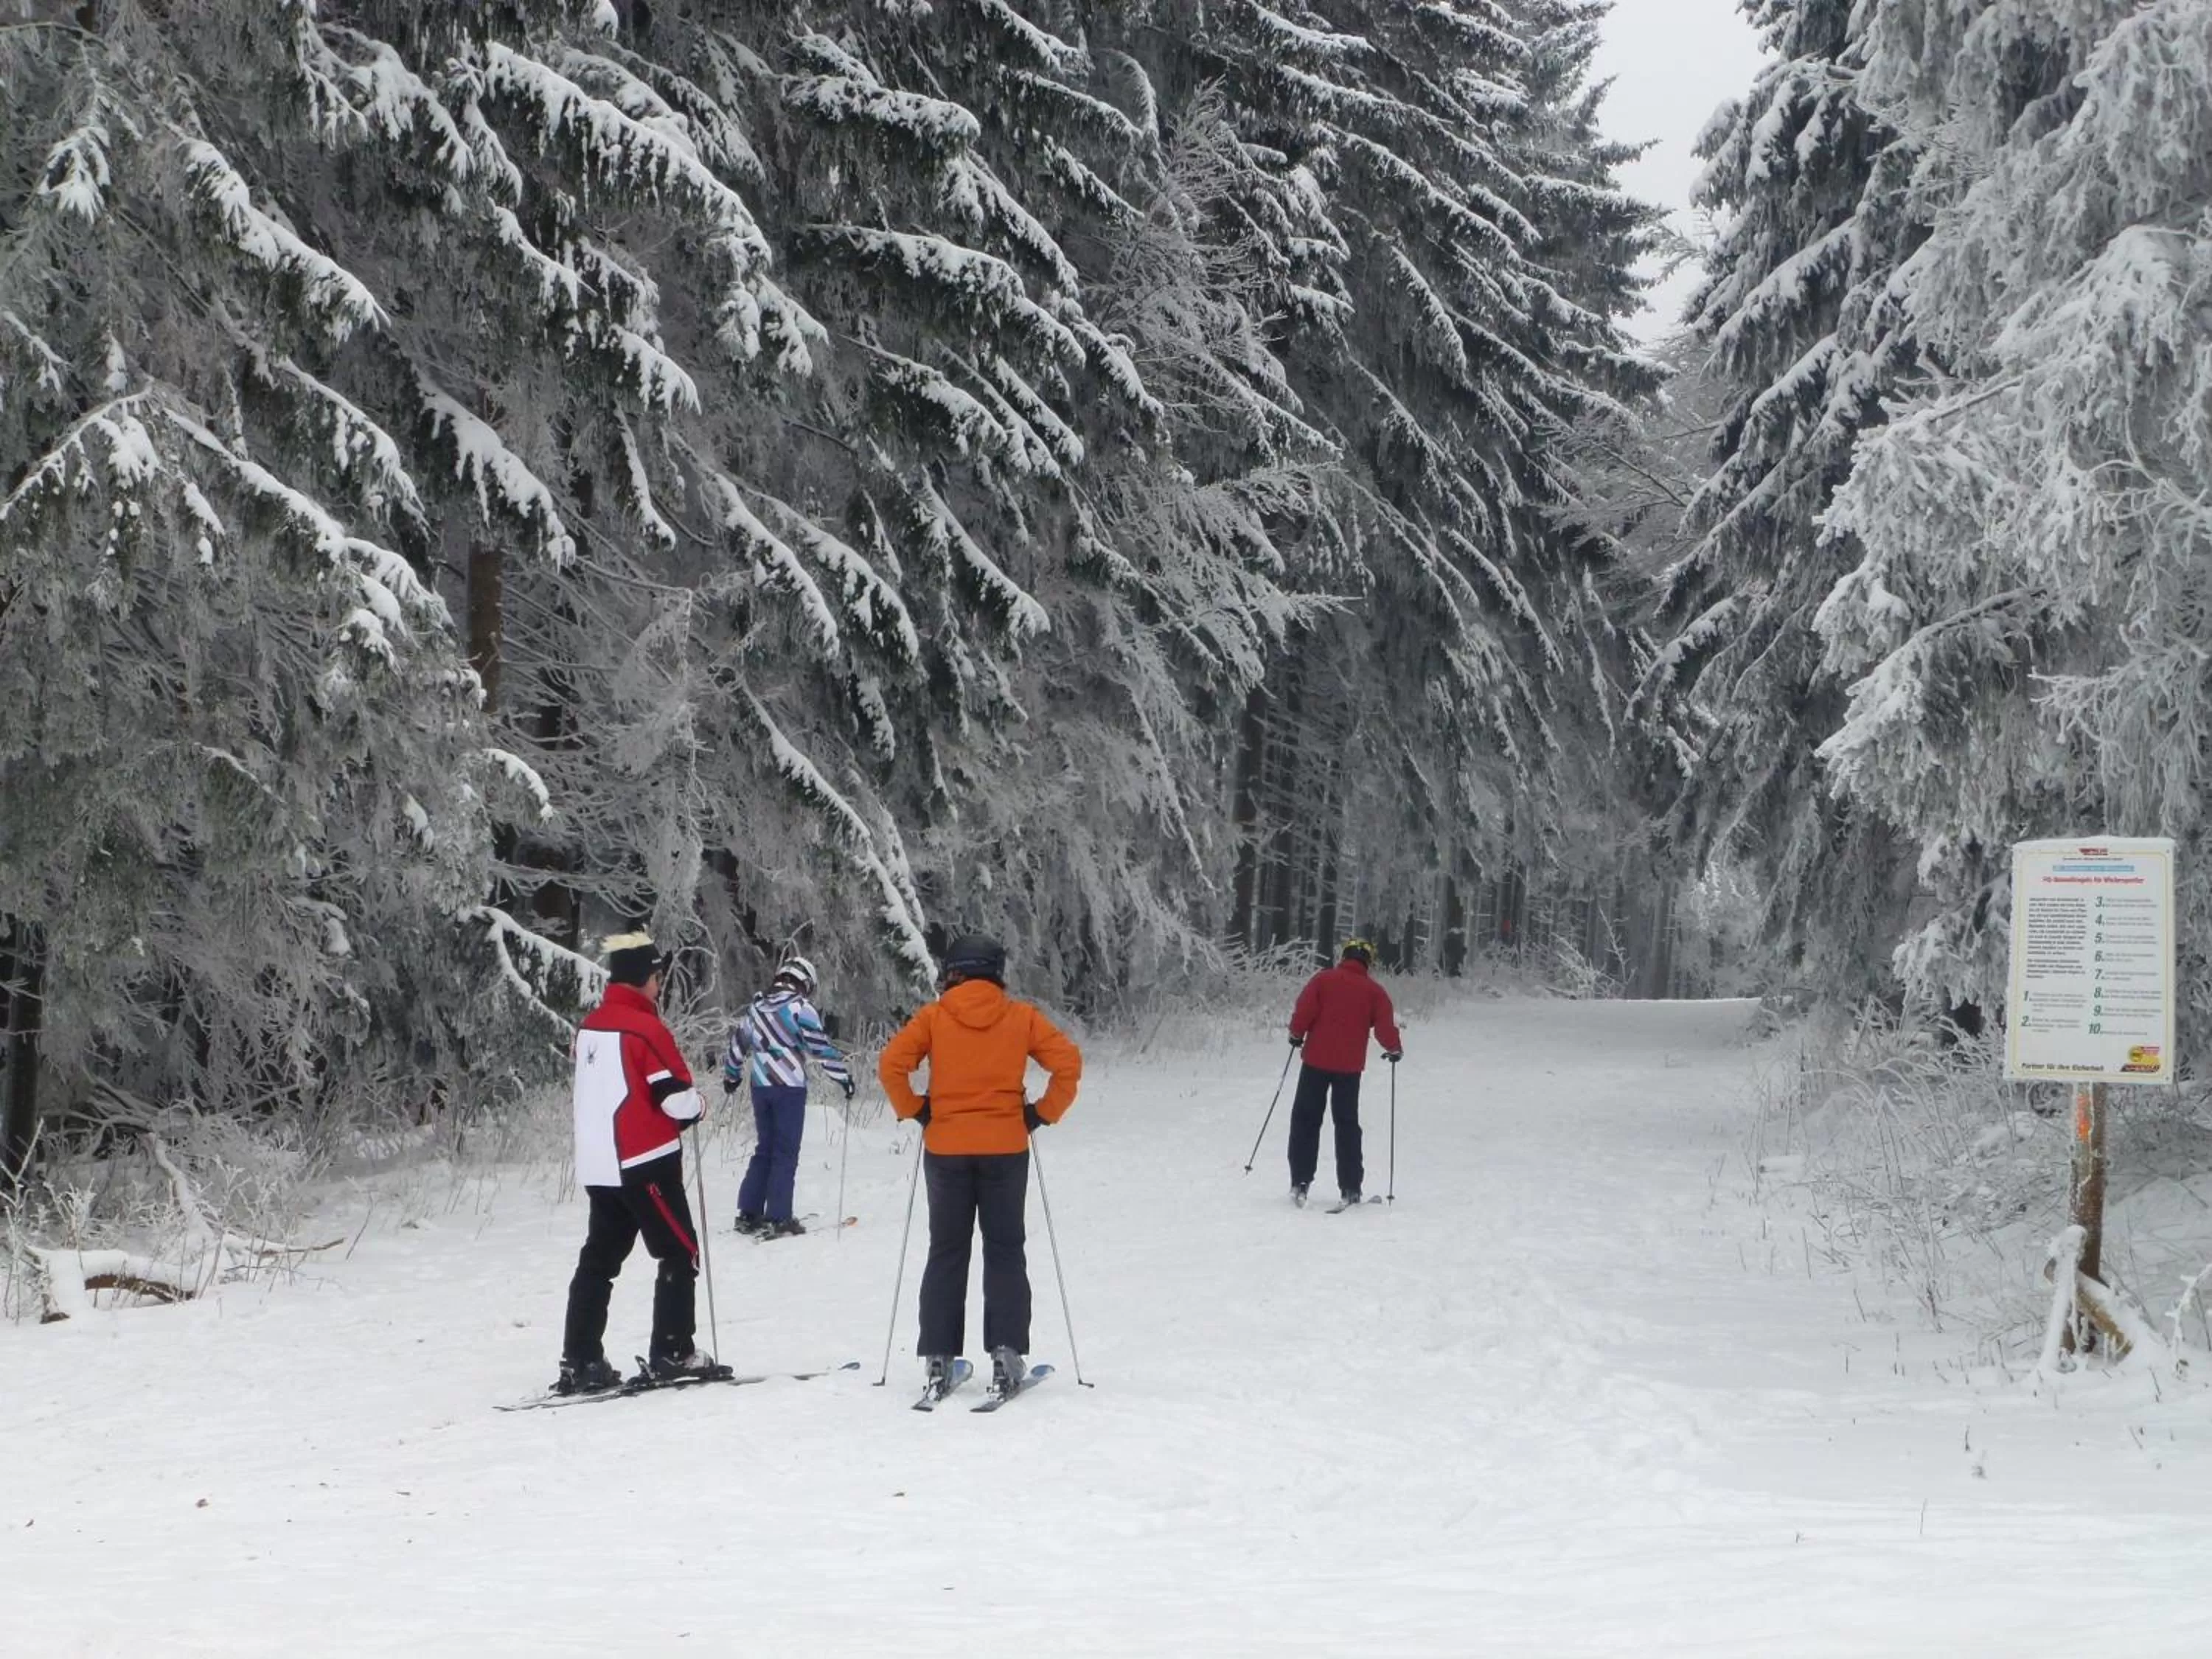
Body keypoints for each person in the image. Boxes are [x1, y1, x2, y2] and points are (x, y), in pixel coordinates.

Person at [877, 933, 1082, 1397]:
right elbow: (1067, 1063)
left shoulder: (934, 1017)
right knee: (1005, 1248)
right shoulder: (1020, 1018)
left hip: (946, 1147)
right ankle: (1007, 1355)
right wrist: (1040, 1114)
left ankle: (938, 1359)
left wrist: (917, 1109)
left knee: (947, 1249)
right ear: (996, 970)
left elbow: (891, 1065)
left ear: (954, 971)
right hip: (1006, 1147)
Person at [557, 933, 714, 1393]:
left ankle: (581, 1359)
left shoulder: (591, 1026)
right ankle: (674, 1352)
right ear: (648, 978)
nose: (661, 986)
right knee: (678, 1252)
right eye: (659, 977)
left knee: (599, 1261)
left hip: (598, 1163)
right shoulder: (646, 1030)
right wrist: (699, 1105)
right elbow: (674, 1101)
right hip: (645, 1162)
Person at [722, 955, 854, 1238]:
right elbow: (820, 1048)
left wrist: (731, 1076)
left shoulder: (756, 1008)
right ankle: (779, 1217)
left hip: (760, 1086)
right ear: (804, 982)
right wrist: (843, 1078)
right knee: (785, 1152)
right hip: (789, 1088)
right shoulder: (800, 1008)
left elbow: (738, 1044)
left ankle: (749, 1213)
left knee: (764, 1148)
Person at [1285, 937, 1402, 1207]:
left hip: (1315, 1061)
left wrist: (1296, 1033)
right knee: (1347, 1125)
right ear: (1368, 962)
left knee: (1306, 1120)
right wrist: (1395, 1048)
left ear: (1344, 956)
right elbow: (1385, 1028)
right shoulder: (1375, 992)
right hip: (1349, 1069)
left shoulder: (1323, 980)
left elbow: (1304, 1009)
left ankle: (1301, 1181)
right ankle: (1350, 1187)